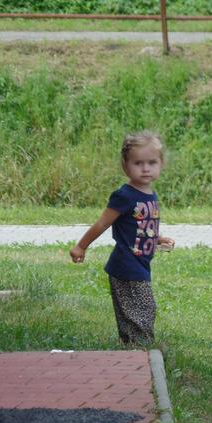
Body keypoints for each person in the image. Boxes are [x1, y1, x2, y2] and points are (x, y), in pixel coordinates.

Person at [70, 131, 174, 345]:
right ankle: (142, 348)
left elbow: (138, 227)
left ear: (161, 164)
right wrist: (81, 246)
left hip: (140, 264)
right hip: (127, 264)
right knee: (142, 308)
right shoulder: (124, 196)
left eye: (152, 162)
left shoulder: (149, 194)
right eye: (138, 163)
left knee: (134, 310)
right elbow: (102, 223)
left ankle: (132, 346)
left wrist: (158, 239)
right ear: (125, 166)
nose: (145, 168)